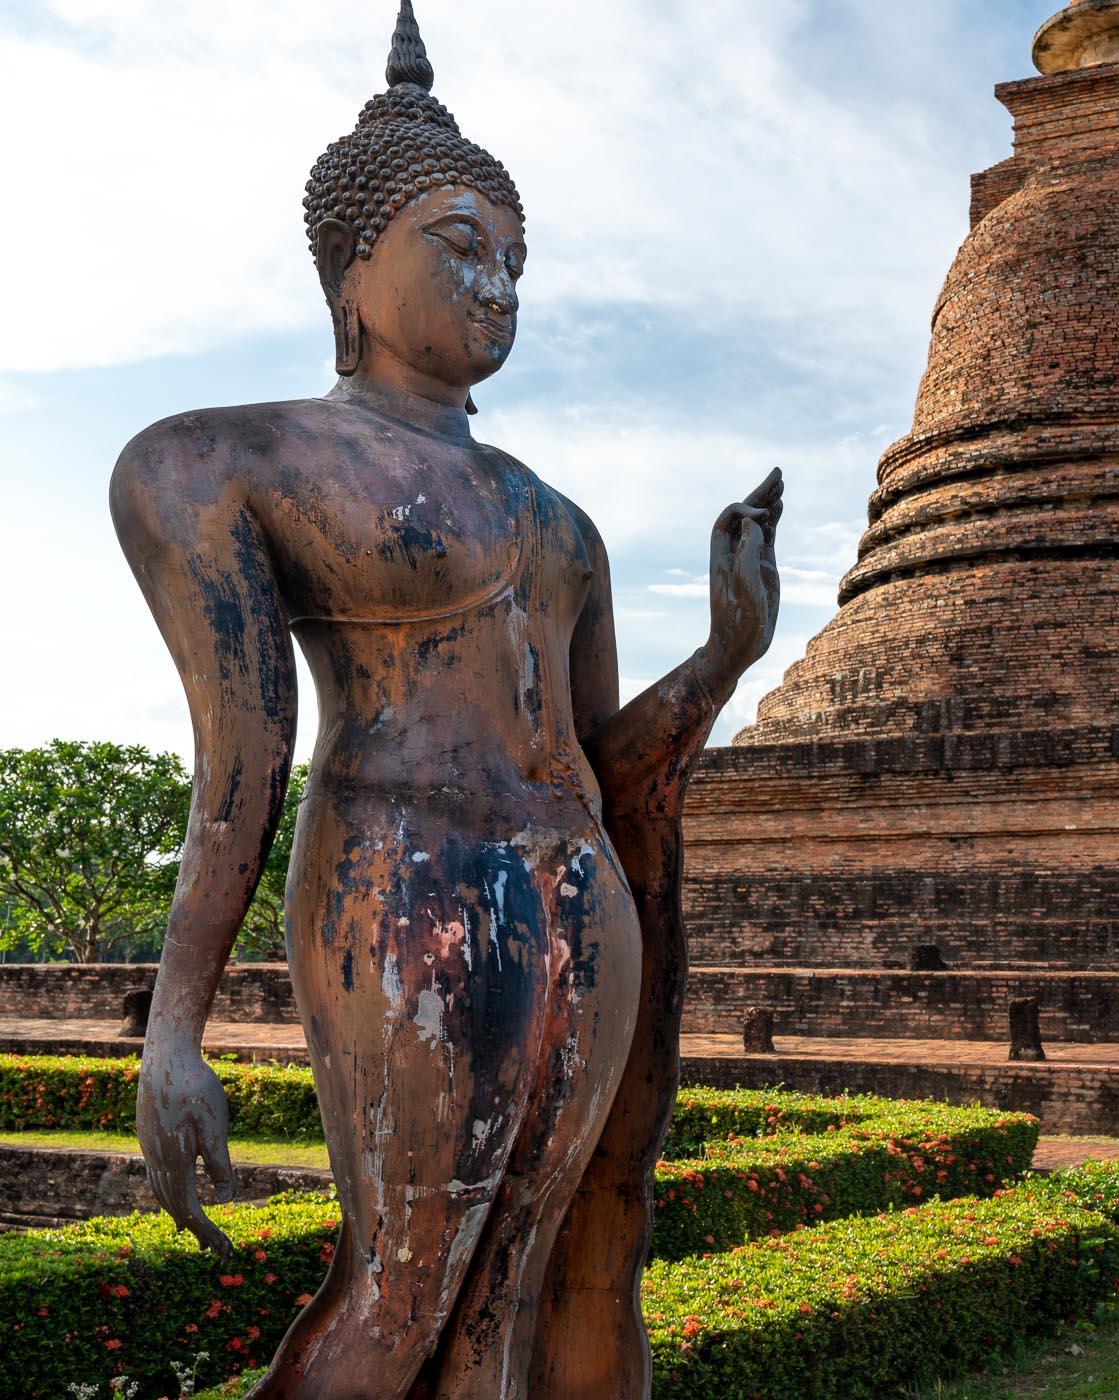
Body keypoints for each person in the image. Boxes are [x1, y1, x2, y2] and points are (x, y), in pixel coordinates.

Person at [108, 5, 781, 1393]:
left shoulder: (561, 520)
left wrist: (723, 656)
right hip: (400, 891)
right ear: (352, 271)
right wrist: (174, 1021)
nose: (498, 284)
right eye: (462, 247)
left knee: (516, 1302)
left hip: (577, 905)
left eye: (516, 261)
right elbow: (243, 755)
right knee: (402, 1292)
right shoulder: (228, 461)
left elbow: (600, 758)